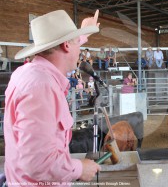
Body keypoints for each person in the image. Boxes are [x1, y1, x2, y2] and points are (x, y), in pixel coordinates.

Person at [4, 10, 101, 184]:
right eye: (77, 42)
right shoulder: (41, 86)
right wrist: (80, 168)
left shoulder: (29, 74)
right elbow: (36, 162)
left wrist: (83, 33)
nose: (80, 50)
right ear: (65, 46)